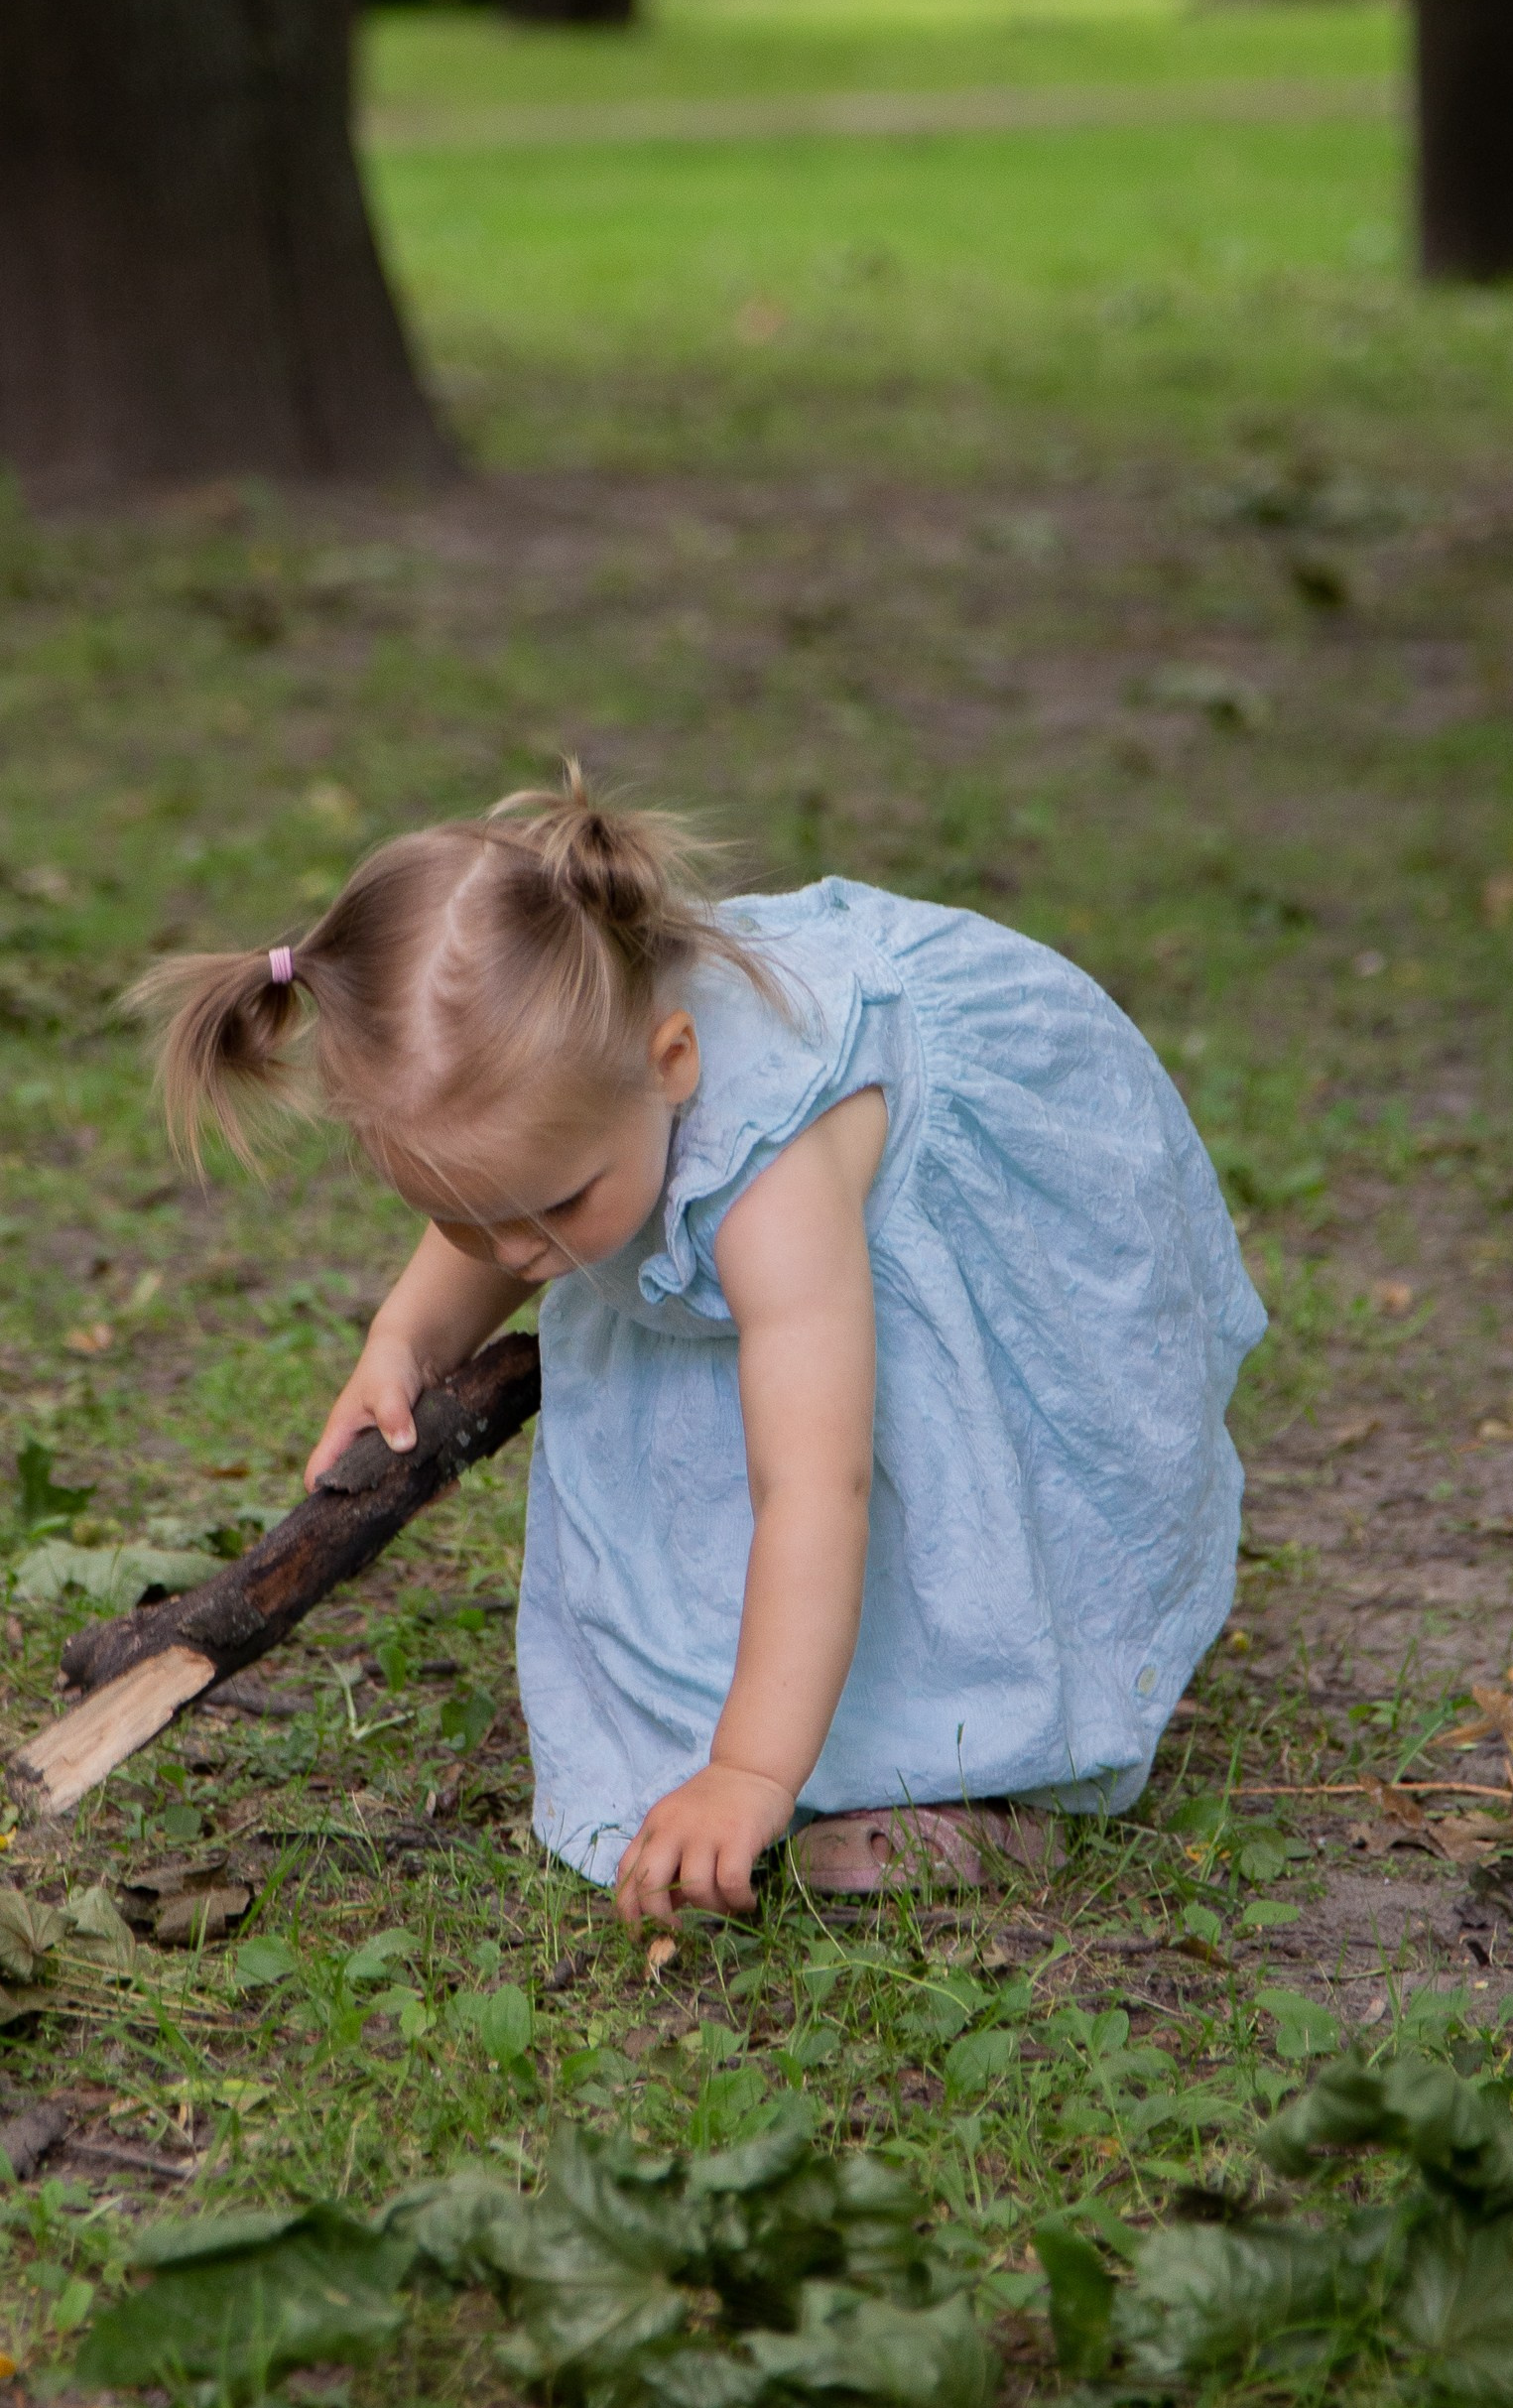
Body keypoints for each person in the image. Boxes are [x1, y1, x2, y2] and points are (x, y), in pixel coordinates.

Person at [136, 773, 1263, 1931]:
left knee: (912, 1471)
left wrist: (748, 1775)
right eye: (471, 1218)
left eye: (556, 1205)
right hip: (716, 1210)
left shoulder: (772, 1181)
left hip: (950, 1218)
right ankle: (740, 1719)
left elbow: (814, 1488)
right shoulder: (575, 1129)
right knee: (683, 1465)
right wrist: (406, 1341)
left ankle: (986, 1766)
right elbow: (505, 1209)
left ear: (671, 1064)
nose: (517, 1256)